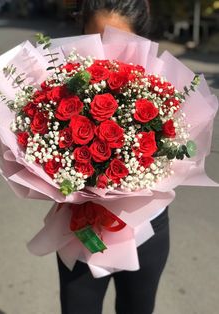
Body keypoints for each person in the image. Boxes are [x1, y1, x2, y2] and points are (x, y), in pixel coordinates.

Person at [56, 1, 169, 313]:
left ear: (142, 42)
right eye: (94, 41)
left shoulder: (165, 93)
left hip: (147, 230)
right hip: (83, 229)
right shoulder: (58, 91)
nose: (103, 56)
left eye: (117, 44)